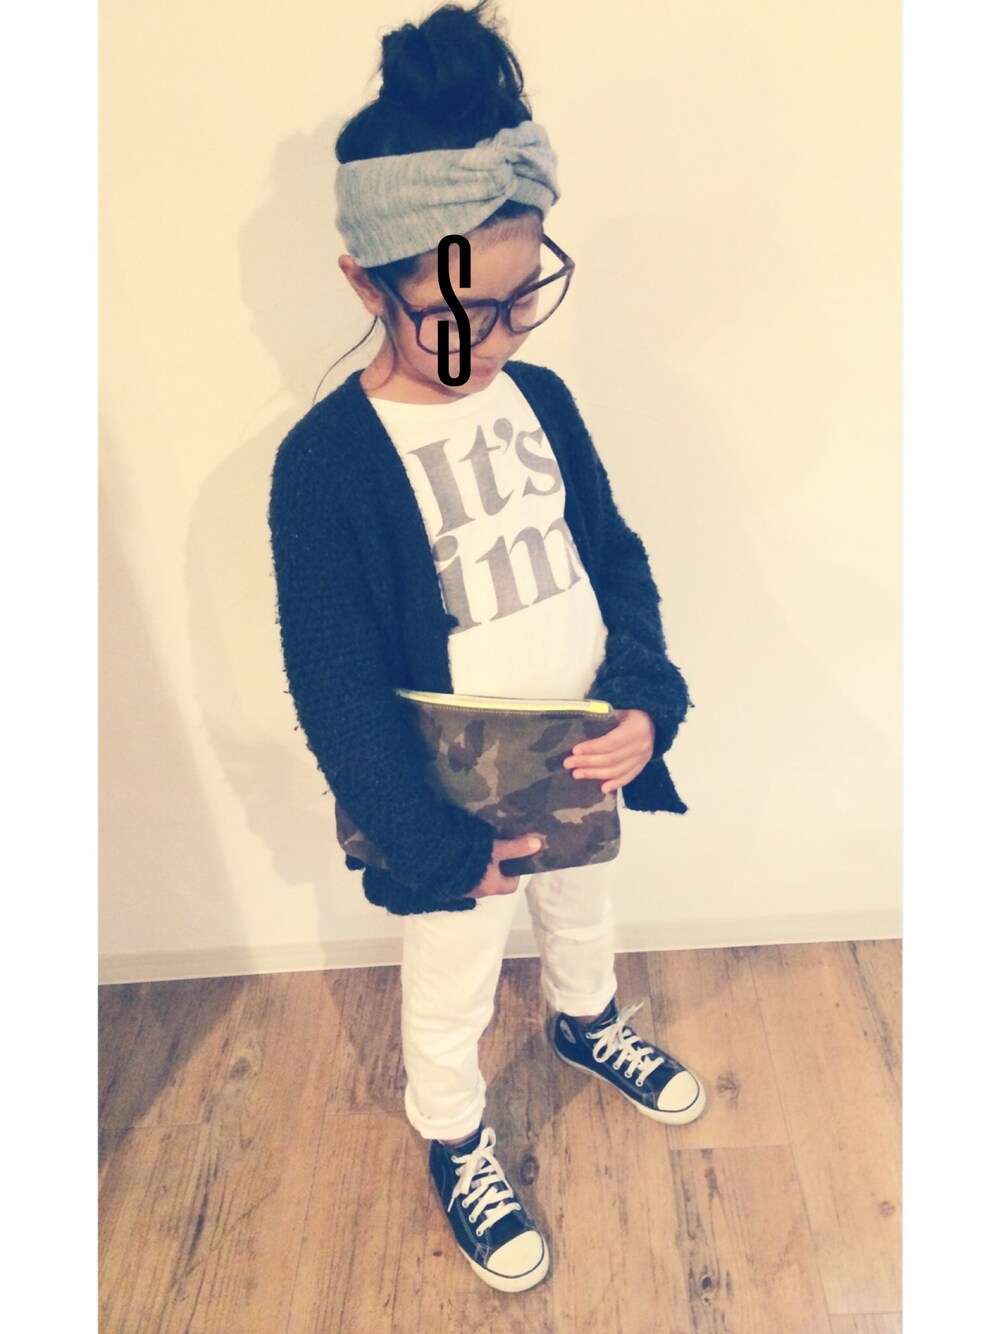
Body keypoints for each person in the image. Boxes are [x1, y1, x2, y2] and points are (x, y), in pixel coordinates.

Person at [268, 0, 705, 1295]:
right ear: (367, 283)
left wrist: (645, 693)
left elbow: (613, 556)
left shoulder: (543, 399)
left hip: (580, 740)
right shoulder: (327, 466)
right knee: (456, 964)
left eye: (522, 301)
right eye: (463, 312)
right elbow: (334, 684)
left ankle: (585, 1021)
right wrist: (433, 843)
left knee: (585, 901)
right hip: (446, 790)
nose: (500, 339)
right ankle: (453, 1131)